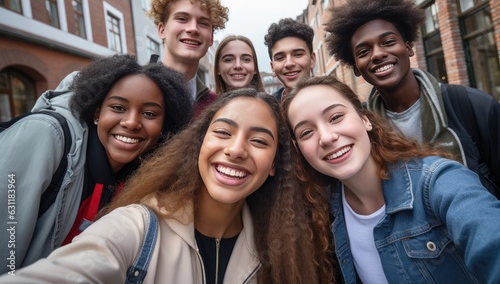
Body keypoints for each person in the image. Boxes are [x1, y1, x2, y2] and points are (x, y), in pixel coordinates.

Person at [0, 89, 335, 283]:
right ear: (198, 145)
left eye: (259, 141)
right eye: (222, 132)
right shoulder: (136, 226)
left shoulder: (279, 247)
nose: (235, 149)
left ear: (275, 165)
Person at [283, 75, 500, 283]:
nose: (326, 137)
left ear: (364, 119)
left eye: (336, 117)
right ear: (298, 149)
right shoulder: (323, 214)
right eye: (306, 132)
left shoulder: (437, 181)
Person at [0, 54, 192, 273]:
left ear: (163, 125)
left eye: (149, 113)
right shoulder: (45, 135)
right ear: (97, 112)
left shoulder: (143, 171)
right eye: (118, 108)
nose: (131, 123)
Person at [323, 0, 500, 198]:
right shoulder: (360, 128)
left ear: (408, 47)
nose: (377, 54)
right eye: (363, 51)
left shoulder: (474, 106)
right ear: (356, 68)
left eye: (388, 42)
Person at [148, 0, 229, 117]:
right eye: (182, 19)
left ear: (210, 38)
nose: (193, 29)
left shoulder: (217, 108)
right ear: (162, 30)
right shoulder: (130, 89)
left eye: (203, 23)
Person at [264, 18, 316, 102]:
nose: (289, 63)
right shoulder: (268, 109)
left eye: (298, 54)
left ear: (312, 59)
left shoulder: (335, 97)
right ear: (272, 67)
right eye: (280, 58)